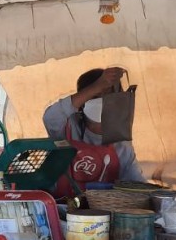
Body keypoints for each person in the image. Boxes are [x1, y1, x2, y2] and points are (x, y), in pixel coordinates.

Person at [42, 66, 145, 198]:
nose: (102, 103)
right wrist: (97, 86)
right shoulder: (68, 125)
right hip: (62, 207)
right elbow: (50, 117)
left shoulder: (120, 142)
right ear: (82, 101)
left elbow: (136, 183)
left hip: (103, 210)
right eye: (94, 97)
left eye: (108, 97)